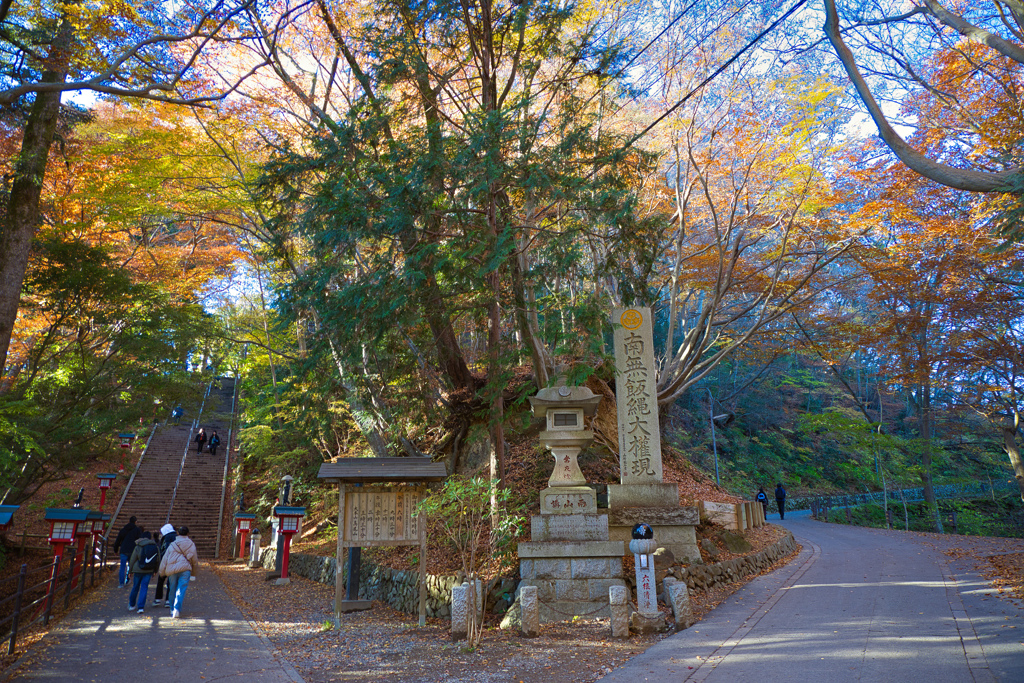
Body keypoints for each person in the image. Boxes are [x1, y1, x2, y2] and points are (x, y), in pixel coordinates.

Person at [159, 525, 198, 618]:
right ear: (188, 533)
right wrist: (194, 573)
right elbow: (194, 560)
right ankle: (177, 608)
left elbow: (165, 559)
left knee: (172, 588)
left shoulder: (173, 544)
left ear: (178, 533)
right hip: (185, 569)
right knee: (181, 589)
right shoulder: (191, 544)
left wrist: (161, 572)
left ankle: (172, 608)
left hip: (172, 569)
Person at [128, 531, 159, 613]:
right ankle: (140, 607)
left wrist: (130, 571)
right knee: (144, 587)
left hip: (138, 569)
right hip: (149, 569)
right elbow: (158, 559)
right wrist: (155, 570)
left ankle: (132, 605)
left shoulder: (138, 546)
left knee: (135, 587)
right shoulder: (154, 546)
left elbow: (133, 559)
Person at [113, 516, 142, 587]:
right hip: (132, 550)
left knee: (122, 567)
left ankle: (121, 583)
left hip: (123, 549)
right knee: (130, 566)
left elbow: (117, 541)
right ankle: (128, 579)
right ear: (135, 522)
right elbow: (140, 540)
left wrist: (115, 550)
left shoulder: (123, 530)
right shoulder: (137, 530)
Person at [152, 523, 176, 607]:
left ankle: (158, 599)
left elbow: (163, 550)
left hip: (165, 562)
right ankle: (168, 600)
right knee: (170, 581)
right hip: (174, 562)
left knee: (161, 580)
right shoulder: (176, 537)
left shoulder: (166, 539)